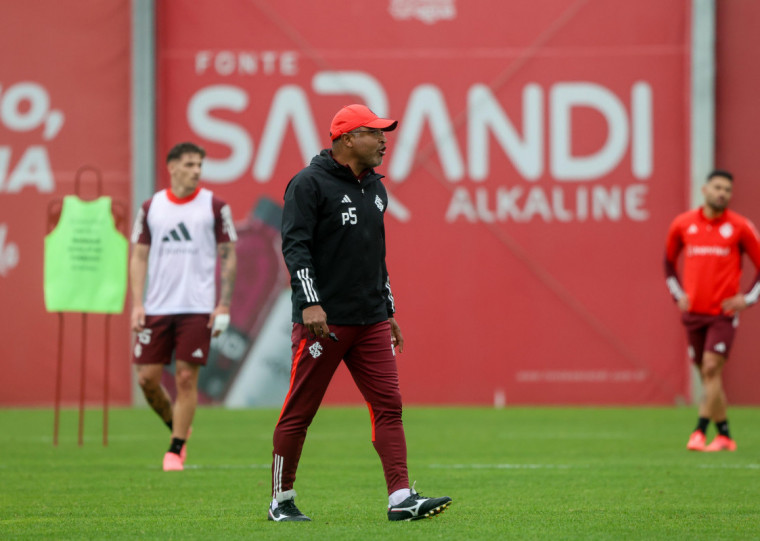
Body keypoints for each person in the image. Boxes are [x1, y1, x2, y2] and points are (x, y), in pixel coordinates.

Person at [268, 104, 452, 522]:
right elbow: (296, 249)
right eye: (375, 133)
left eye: (384, 133)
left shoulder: (375, 188)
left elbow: (375, 257)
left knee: (389, 405)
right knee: (300, 411)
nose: (385, 140)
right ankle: (281, 501)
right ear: (348, 139)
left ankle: (401, 497)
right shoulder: (308, 184)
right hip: (324, 323)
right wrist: (311, 302)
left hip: (369, 321)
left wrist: (387, 311)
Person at [130, 141, 237, 471]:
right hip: (157, 306)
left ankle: (175, 449)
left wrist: (223, 304)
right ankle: (178, 425)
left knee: (187, 378)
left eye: (199, 165)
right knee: (147, 379)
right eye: (189, 164)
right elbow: (139, 255)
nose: (196, 171)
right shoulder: (151, 208)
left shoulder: (215, 206)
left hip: (197, 307)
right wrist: (137, 303)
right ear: (172, 167)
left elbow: (229, 254)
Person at [664, 169, 760, 452]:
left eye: (727, 190)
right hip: (693, 313)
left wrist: (748, 299)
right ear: (704, 190)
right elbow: (668, 264)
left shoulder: (740, 227)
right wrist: (678, 295)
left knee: (710, 368)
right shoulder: (683, 225)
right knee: (707, 375)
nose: (722, 193)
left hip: (723, 313)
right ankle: (725, 436)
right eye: (717, 187)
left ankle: (699, 431)